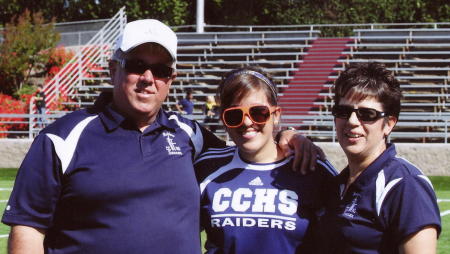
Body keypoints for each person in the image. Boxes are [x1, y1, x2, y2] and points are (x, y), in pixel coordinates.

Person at [2, 19, 323, 253]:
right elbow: (28, 230)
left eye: (160, 70)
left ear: (172, 79)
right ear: (114, 69)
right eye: (137, 65)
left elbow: (249, 140)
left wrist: (290, 135)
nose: (147, 78)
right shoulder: (62, 138)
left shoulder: (190, 135)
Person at [194, 67, 338, 254]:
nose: (246, 123)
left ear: (276, 115)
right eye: (234, 115)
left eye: (258, 112)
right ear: (223, 120)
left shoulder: (312, 167)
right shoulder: (207, 167)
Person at [320, 62, 441, 253]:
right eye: (343, 112)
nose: (352, 122)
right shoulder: (338, 184)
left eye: (367, 114)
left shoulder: (405, 184)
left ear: (389, 124)